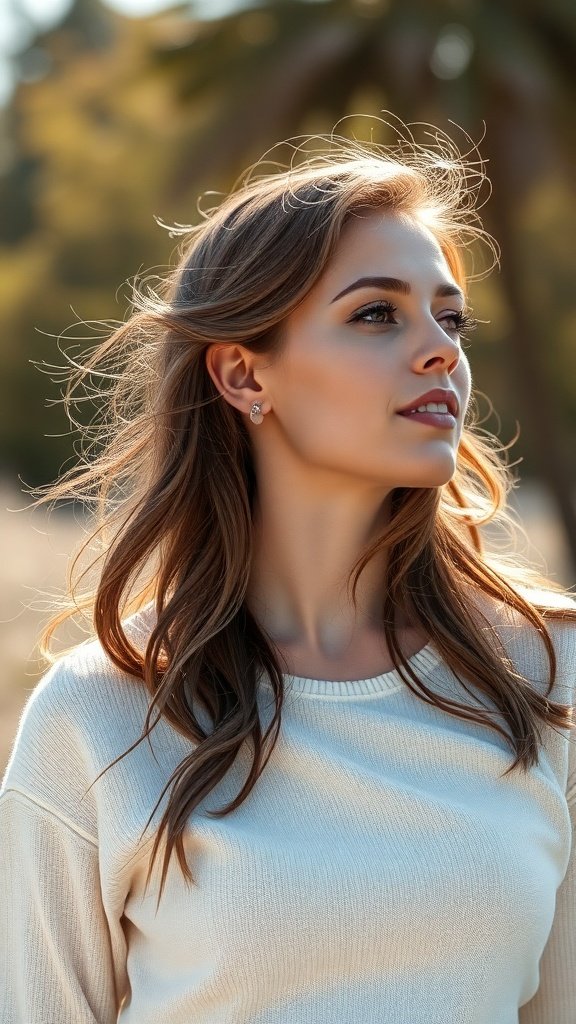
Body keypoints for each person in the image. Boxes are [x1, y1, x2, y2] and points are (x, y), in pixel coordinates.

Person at [1, 122, 575, 1024]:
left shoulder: (548, 676)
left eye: (451, 317)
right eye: (377, 313)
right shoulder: (99, 716)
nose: (441, 350)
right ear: (242, 375)